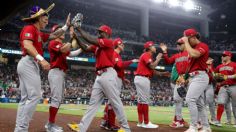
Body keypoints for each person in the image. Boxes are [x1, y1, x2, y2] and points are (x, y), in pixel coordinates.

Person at [14, 3, 71, 132]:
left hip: (28, 63)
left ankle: (19, 129)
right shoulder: (30, 28)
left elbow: (54, 35)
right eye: (45, 17)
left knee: (25, 99)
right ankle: (22, 128)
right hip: (29, 62)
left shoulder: (37, 32)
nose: (47, 19)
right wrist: (42, 59)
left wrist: (66, 26)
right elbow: (28, 45)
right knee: (34, 96)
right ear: (38, 17)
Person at [67, 24, 131, 132]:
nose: (99, 33)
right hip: (99, 76)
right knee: (93, 104)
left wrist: (79, 29)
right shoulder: (98, 46)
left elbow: (91, 40)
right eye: (99, 32)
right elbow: (85, 48)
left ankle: (126, 128)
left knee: (115, 102)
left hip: (108, 74)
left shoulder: (109, 42)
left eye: (101, 32)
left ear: (107, 34)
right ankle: (82, 128)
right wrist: (76, 37)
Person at [45, 25, 83, 132]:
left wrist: (81, 48)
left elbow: (71, 54)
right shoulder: (53, 42)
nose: (62, 32)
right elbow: (63, 49)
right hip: (56, 72)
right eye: (59, 31)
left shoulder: (60, 44)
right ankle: (50, 125)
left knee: (58, 99)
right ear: (55, 34)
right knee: (56, 99)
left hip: (59, 73)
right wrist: (71, 39)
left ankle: (50, 123)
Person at [100, 38, 138, 131]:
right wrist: (132, 61)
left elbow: (117, 68)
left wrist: (123, 78)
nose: (123, 45)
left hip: (116, 78)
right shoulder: (114, 53)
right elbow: (120, 65)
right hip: (114, 79)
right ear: (117, 45)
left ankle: (106, 122)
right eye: (122, 44)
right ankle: (110, 124)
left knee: (111, 102)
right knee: (113, 102)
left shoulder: (116, 54)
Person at [181, 28, 211, 132]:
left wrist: (185, 42)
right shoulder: (191, 49)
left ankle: (193, 126)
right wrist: (185, 78)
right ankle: (206, 127)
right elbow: (189, 66)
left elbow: (195, 54)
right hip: (192, 77)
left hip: (200, 76)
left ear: (193, 37)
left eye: (187, 39)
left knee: (190, 99)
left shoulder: (202, 46)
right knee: (200, 104)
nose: (186, 41)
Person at [159, 38, 189, 128]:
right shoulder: (176, 56)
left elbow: (192, 66)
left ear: (185, 44)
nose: (178, 45)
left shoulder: (189, 53)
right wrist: (165, 52)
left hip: (190, 78)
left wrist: (186, 77)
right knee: (176, 100)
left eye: (180, 44)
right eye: (177, 44)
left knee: (194, 101)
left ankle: (200, 122)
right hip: (180, 79)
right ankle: (179, 121)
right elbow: (168, 61)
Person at [134, 41, 163, 129]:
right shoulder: (146, 54)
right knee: (145, 101)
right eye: (153, 46)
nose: (155, 47)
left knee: (140, 101)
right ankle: (146, 122)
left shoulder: (145, 55)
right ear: (149, 48)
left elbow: (152, 71)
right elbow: (152, 67)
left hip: (140, 78)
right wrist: (158, 59)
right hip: (143, 79)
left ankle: (140, 121)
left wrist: (163, 73)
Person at [212, 51, 236, 128]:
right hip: (223, 87)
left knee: (235, 105)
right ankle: (218, 121)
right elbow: (215, 75)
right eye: (222, 55)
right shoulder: (219, 66)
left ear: (229, 56)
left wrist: (227, 77)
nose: (223, 56)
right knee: (220, 103)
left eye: (224, 55)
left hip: (233, 86)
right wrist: (217, 81)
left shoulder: (234, 64)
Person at [205, 57, 217, 124]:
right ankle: (205, 119)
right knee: (203, 103)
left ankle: (214, 119)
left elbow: (214, 77)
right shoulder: (202, 64)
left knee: (211, 102)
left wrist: (210, 69)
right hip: (201, 85)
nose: (211, 61)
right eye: (209, 60)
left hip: (209, 85)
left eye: (211, 61)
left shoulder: (211, 66)